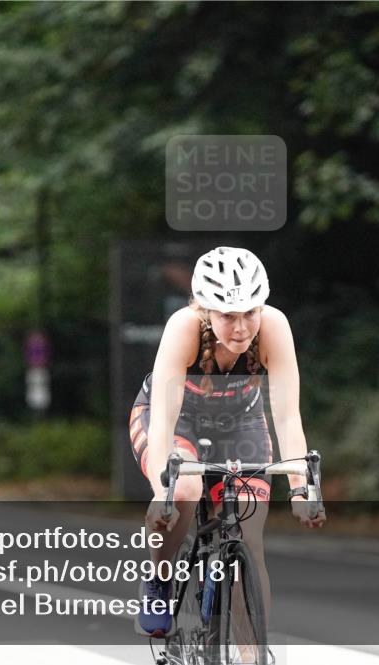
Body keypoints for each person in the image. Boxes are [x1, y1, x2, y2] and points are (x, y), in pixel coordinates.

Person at [129, 246, 325, 660]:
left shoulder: (274, 328)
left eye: (250, 312)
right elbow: (164, 420)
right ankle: (160, 579)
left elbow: (288, 418)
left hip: (240, 424)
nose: (241, 328)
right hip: (176, 421)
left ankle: (254, 654)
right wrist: (161, 491)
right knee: (184, 488)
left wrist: (302, 490)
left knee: (249, 539)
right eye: (227, 316)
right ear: (204, 310)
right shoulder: (183, 328)